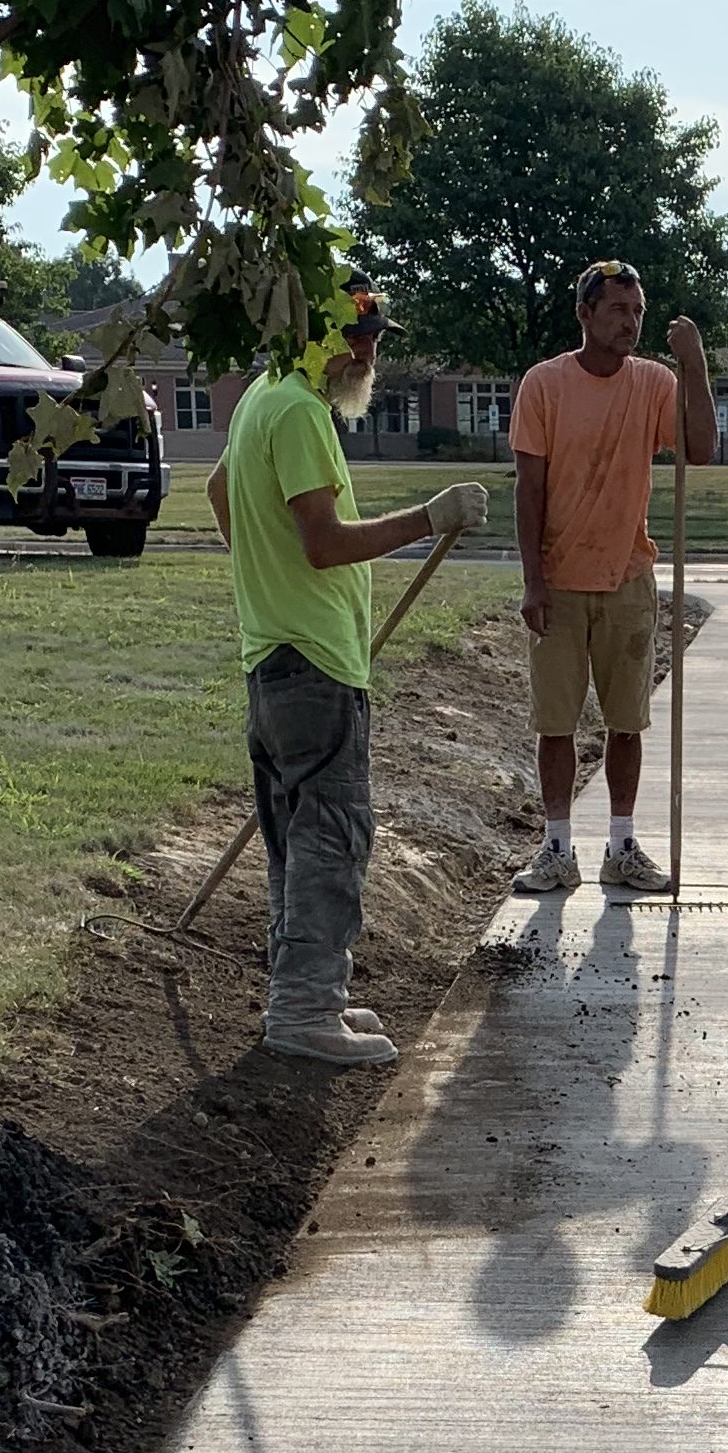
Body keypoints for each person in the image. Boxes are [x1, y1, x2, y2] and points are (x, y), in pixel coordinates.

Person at [208, 288, 486, 1065]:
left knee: (295, 845)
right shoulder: (296, 410)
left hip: (275, 659)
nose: (369, 354)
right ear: (318, 336)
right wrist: (429, 518)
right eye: (357, 338)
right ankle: (302, 1012)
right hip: (314, 666)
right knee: (331, 843)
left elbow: (218, 489)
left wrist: (263, 582)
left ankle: (307, 992)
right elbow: (324, 544)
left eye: (373, 339)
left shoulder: (262, 398)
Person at [507, 262, 719, 896]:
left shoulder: (655, 382)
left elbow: (700, 450)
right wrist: (533, 581)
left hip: (628, 576)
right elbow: (529, 489)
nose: (631, 322)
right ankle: (556, 849)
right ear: (586, 314)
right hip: (560, 581)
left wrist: (695, 367)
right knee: (556, 724)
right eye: (618, 310)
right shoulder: (544, 385)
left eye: (638, 312)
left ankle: (621, 846)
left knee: (627, 722)